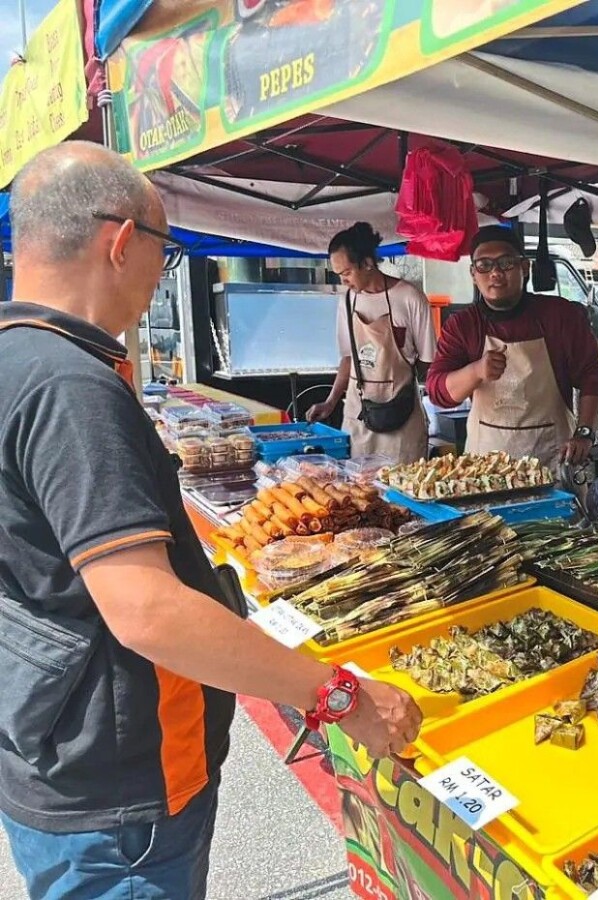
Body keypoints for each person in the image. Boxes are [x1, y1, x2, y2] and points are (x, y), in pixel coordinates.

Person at [0, 142, 422, 900]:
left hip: (55, 752)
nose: (160, 273)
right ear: (121, 242)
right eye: (163, 252)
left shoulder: (15, 357)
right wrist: (337, 696)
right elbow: (147, 612)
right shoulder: (70, 388)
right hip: (120, 788)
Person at [426, 225, 598, 466]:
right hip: (486, 467)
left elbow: (593, 374)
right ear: (473, 273)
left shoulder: (559, 315)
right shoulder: (463, 325)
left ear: (525, 267)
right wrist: (476, 372)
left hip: (553, 460)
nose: (495, 273)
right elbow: (438, 391)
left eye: (506, 263)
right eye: (484, 265)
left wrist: (585, 432)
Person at [307, 222, 437, 462]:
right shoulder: (347, 300)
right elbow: (348, 358)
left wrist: (404, 387)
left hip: (402, 418)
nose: (343, 281)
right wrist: (330, 402)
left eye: (346, 273)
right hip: (359, 416)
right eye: (339, 275)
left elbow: (427, 362)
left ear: (367, 263)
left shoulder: (410, 298)